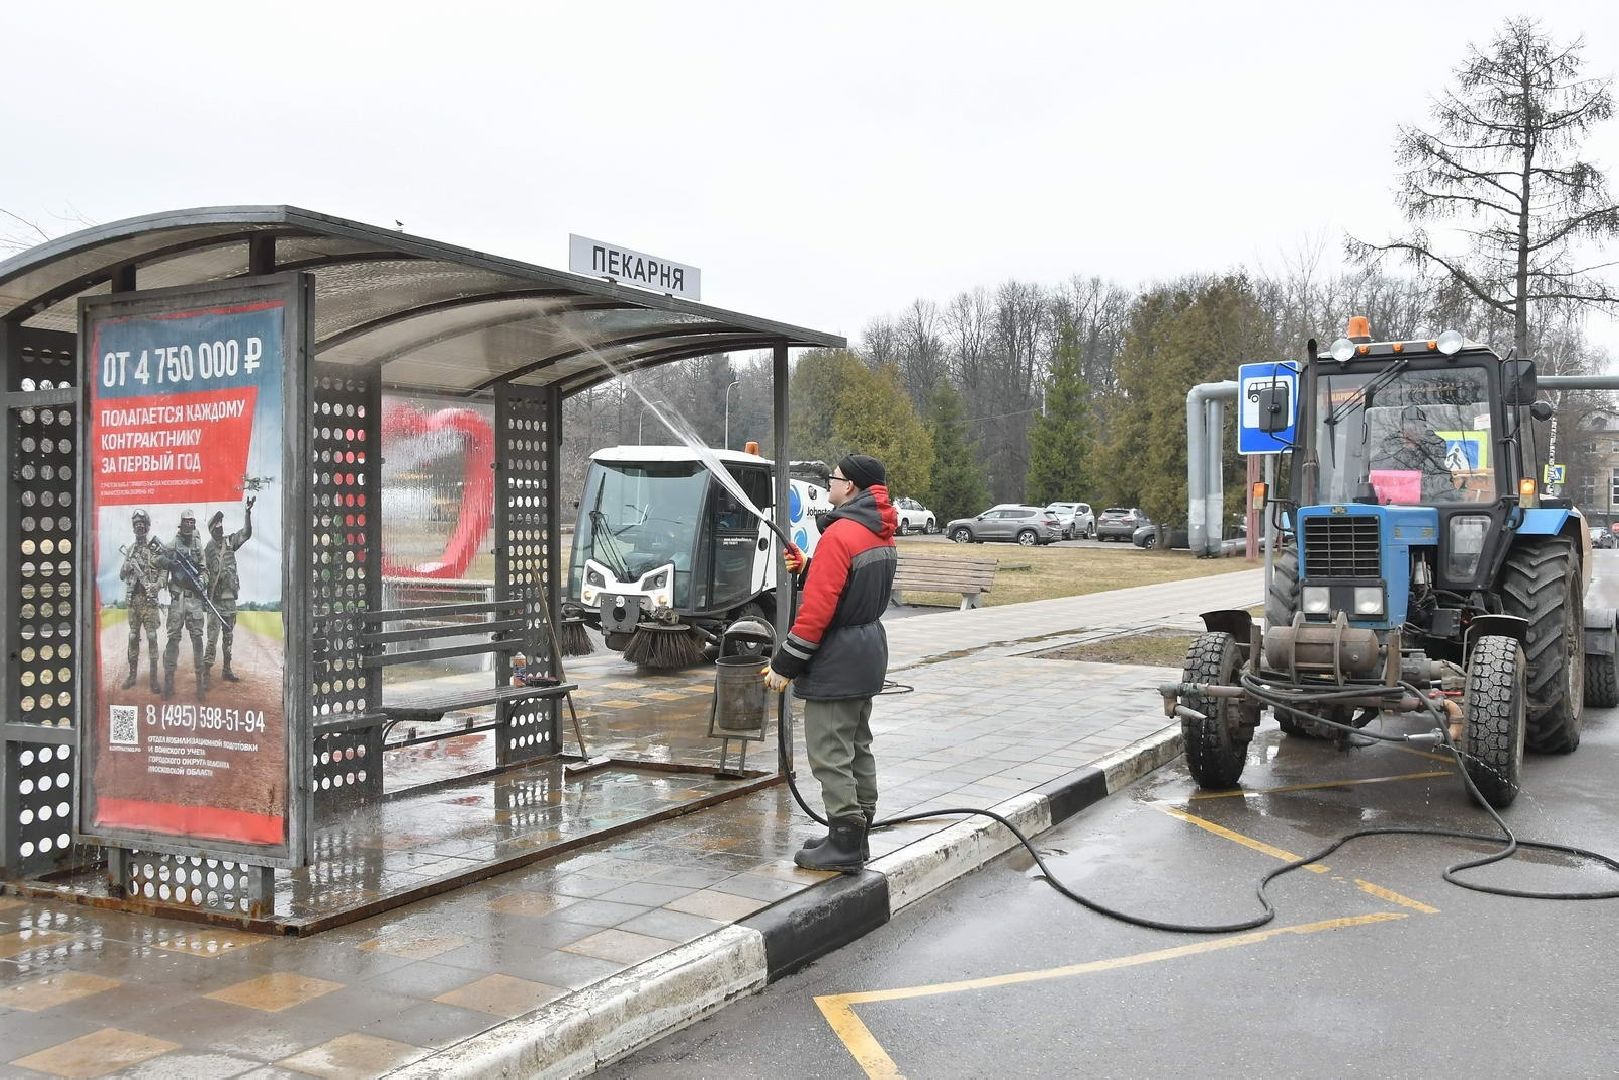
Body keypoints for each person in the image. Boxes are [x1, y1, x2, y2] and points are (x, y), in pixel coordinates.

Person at [763, 453, 898, 872]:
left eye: (833, 479)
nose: (829, 486)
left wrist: (784, 665)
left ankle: (844, 841)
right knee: (857, 745)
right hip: (867, 652)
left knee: (829, 751)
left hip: (838, 660)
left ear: (850, 486)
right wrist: (811, 568)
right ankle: (858, 832)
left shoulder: (839, 535)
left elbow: (817, 614)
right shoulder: (879, 532)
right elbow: (852, 588)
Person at [204, 497, 255, 683]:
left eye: (221, 524)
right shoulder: (208, 550)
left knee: (228, 638)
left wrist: (247, 512)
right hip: (215, 602)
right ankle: (206, 674)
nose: (220, 527)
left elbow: (246, 534)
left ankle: (226, 670)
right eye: (217, 525)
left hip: (230, 600)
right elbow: (203, 573)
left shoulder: (230, 542)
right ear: (212, 529)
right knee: (212, 639)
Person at [160, 508, 209, 700]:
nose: (189, 524)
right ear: (181, 524)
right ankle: (168, 683)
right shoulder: (173, 543)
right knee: (173, 638)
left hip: (194, 598)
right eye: (186, 521)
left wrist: (202, 581)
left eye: (192, 521)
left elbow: (204, 570)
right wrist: (170, 564)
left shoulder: (198, 545)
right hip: (177, 597)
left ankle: (200, 684)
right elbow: (159, 559)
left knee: (197, 638)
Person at [118, 509, 166, 692]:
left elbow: (164, 573)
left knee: (152, 637)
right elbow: (122, 575)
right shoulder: (130, 550)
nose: (139, 527)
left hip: (149, 601)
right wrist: (127, 566)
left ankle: (153, 680)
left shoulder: (155, 550)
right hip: (134, 601)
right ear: (133, 528)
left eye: (142, 524)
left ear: (147, 527)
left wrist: (157, 585)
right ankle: (132, 676)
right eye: (136, 524)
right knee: (132, 637)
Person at [1380, 405, 1457, 502]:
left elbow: (1443, 483)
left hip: (1430, 503)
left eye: (1421, 425)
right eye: (1411, 424)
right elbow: (1378, 480)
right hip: (1394, 504)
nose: (1416, 429)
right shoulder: (1388, 451)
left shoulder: (1435, 450)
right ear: (1401, 427)